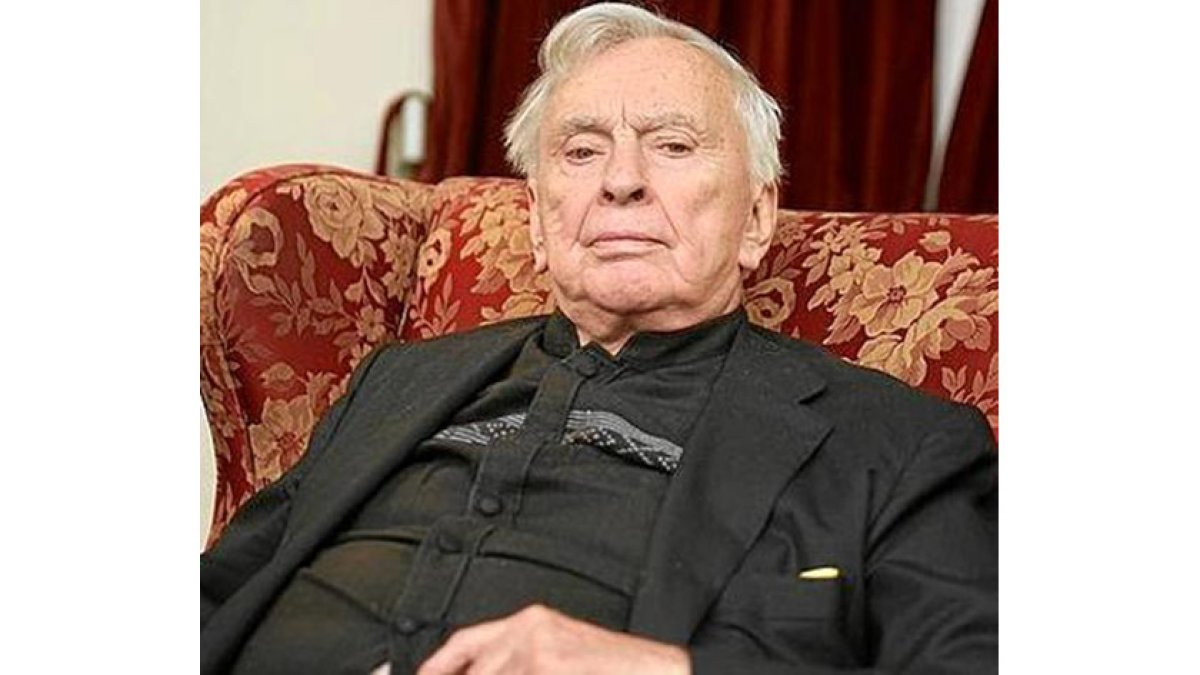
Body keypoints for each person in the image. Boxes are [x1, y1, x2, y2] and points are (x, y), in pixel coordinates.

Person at [201, 4, 998, 673]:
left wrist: (665, 669)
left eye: (673, 145)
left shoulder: (896, 443)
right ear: (537, 222)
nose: (621, 180)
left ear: (757, 217)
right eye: (582, 151)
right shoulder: (396, 379)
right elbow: (216, 595)